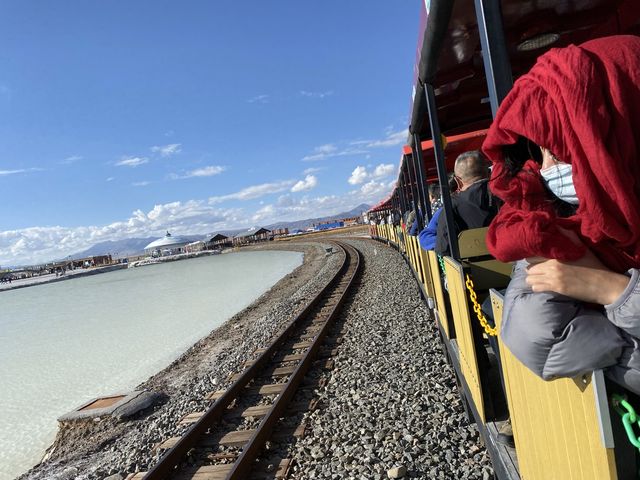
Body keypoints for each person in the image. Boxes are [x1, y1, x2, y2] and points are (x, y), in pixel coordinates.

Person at [483, 35, 640, 394]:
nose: (547, 169)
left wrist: (610, 289)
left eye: (562, 149)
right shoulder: (550, 221)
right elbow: (539, 338)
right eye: (541, 155)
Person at [435, 150, 497, 255]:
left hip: (471, 269)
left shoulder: (451, 206)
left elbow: (443, 249)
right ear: (489, 173)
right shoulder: (508, 193)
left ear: (458, 181)